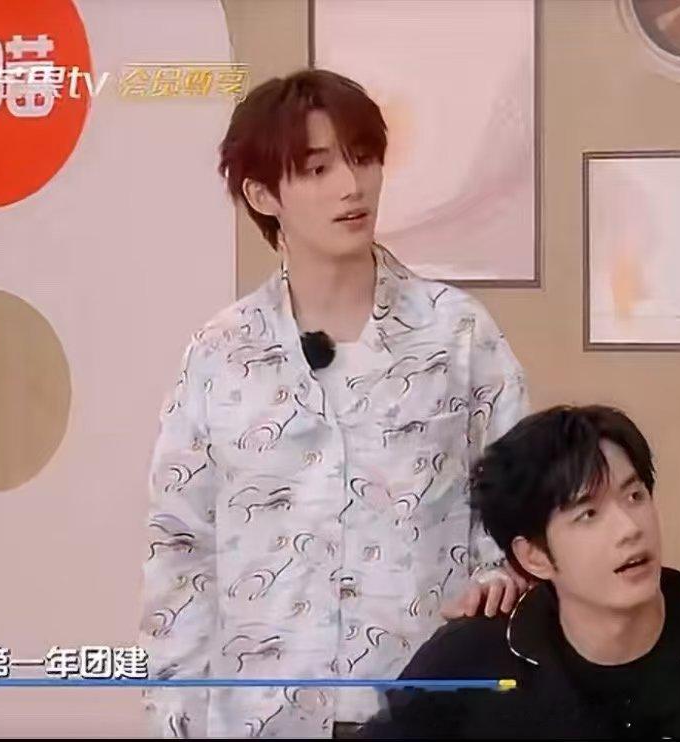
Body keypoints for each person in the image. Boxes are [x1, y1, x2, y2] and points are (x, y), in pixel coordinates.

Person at [139, 69, 530, 738]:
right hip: (261, 717)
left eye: (363, 158)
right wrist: (176, 719)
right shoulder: (219, 353)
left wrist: (501, 573)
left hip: (428, 710)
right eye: (318, 169)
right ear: (263, 194)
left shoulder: (458, 334)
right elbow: (180, 547)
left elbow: (523, 504)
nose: (352, 186)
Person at [361, 405, 680, 739]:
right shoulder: (467, 662)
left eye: (634, 497)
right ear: (534, 556)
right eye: (588, 514)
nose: (630, 529)